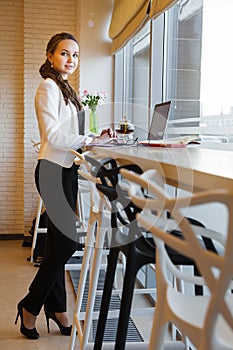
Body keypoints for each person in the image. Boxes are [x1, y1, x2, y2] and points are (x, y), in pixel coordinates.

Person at [15, 32, 114, 339]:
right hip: (52, 171)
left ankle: (57, 309)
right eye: (64, 53)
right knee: (68, 244)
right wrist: (89, 139)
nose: (70, 59)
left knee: (60, 245)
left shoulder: (65, 89)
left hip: (65, 171)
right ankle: (30, 306)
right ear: (50, 56)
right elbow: (53, 136)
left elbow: (71, 134)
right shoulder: (48, 87)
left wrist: (95, 139)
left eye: (75, 55)